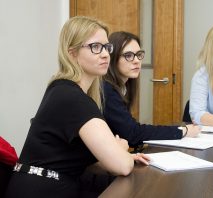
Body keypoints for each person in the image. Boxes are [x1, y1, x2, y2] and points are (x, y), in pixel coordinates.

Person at [5, 16, 149, 198]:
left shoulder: (62, 89)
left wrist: (119, 155)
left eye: (107, 47)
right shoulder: (71, 97)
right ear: (71, 53)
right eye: (96, 47)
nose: (105, 54)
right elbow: (121, 166)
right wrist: (120, 151)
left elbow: (75, 160)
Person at [102, 31, 201, 148]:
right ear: (113, 58)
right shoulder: (107, 90)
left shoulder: (122, 87)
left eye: (139, 54)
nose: (136, 60)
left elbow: (128, 131)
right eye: (128, 55)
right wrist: (182, 131)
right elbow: (133, 133)